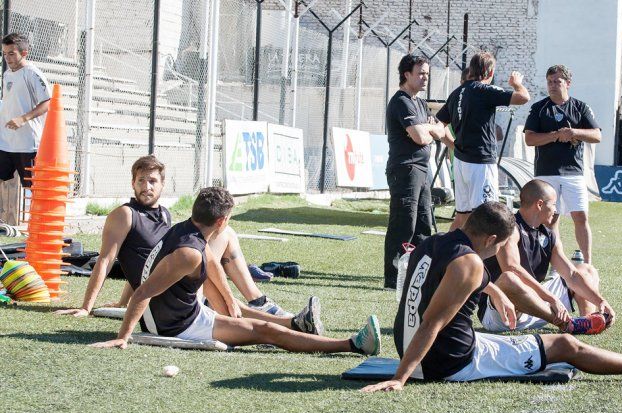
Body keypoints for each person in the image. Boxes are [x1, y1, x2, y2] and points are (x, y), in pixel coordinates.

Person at [361, 201, 622, 392]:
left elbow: (428, 298)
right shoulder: (469, 264)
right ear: (491, 239)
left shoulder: (436, 243)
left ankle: (570, 325)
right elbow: (433, 322)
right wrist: (399, 378)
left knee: (520, 318)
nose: (497, 253)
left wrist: (494, 289)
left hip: (415, 349)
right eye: (499, 247)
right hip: (448, 362)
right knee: (565, 347)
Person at [91, 187, 381, 355]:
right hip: (177, 325)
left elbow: (213, 263)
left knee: (236, 307)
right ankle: (353, 345)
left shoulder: (190, 230)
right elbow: (142, 292)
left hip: (184, 309)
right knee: (266, 331)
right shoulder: (187, 254)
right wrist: (123, 336)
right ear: (222, 222)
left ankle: (296, 323)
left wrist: (229, 299)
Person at [55, 156, 320, 333]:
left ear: (162, 184)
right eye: (141, 181)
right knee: (212, 267)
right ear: (132, 183)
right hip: (166, 289)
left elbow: (144, 260)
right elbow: (107, 259)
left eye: (152, 181)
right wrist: (86, 307)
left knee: (223, 239)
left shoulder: (165, 214)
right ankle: (285, 320)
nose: (146, 187)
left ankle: (270, 309)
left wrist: (124, 300)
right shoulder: (124, 215)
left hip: (173, 276)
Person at [478, 180, 615, 334]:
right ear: (540, 204)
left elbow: (572, 275)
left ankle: (587, 321)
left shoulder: (548, 234)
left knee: (586, 270)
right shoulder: (510, 228)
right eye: (554, 204)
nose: (556, 210)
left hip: (537, 306)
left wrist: (600, 301)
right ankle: (567, 324)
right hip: (503, 314)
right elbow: (511, 268)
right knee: (509, 278)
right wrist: (551, 299)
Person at [436, 51, 530, 232]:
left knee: (463, 215)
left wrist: (453, 144)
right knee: (485, 214)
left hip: (461, 161)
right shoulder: (484, 90)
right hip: (480, 162)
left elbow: (439, 125)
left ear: (470, 69)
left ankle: (446, 253)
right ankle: (481, 258)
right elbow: (523, 97)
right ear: (490, 73)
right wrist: (517, 84)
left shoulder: (457, 93)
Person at [524, 64, 601, 264]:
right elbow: (530, 139)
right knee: (550, 220)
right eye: (549, 82)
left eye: (557, 81)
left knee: (581, 217)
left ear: (568, 83)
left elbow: (597, 135)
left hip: (573, 172)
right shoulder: (539, 108)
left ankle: (588, 264)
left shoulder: (580, 107)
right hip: (546, 173)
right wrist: (555, 136)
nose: (552, 86)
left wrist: (574, 133)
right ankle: (554, 264)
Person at [383, 54, 448, 289]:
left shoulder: (420, 103)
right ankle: (392, 278)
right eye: (420, 73)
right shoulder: (401, 101)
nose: (425, 78)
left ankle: (419, 273)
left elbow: (440, 131)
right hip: (405, 169)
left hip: (422, 170)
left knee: (423, 224)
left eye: (427, 74)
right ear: (406, 74)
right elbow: (420, 136)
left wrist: (429, 127)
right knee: (404, 223)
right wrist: (429, 129)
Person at [0, 33, 51, 189]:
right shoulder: (7, 74)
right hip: (5, 142)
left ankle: (33, 214)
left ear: (24, 53)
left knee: (32, 189)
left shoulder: (32, 74)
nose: (7, 58)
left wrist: (23, 118)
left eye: (11, 53)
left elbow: (47, 103)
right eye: (4, 53)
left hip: (27, 144)